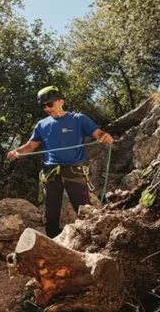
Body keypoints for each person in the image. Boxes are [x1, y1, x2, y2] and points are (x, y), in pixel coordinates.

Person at [7, 86, 113, 238]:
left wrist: (105, 136)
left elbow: (98, 133)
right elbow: (31, 146)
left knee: (84, 209)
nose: (47, 108)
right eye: (43, 106)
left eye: (50, 104)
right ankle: (52, 243)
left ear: (60, 102)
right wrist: (16, 152)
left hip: (74, 170)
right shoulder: (42, 125)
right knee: (51, 212)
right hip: (51, 172)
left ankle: (93, 239)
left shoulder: (78, 119)